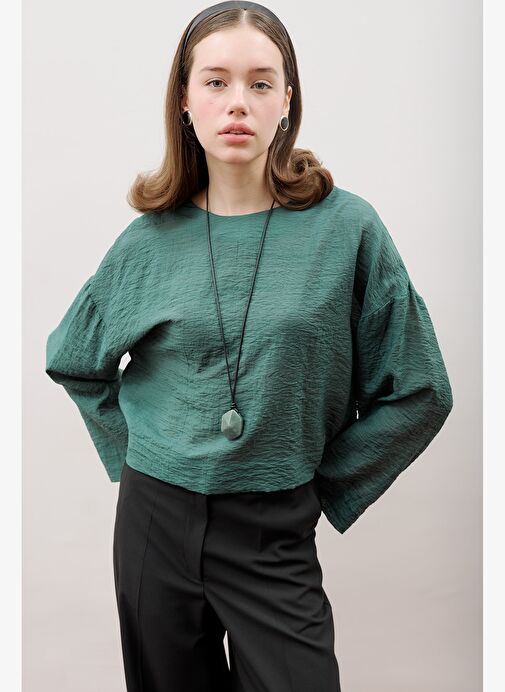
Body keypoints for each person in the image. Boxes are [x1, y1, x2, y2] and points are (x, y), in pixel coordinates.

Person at [44, 2, 454, 691]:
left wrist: (322, 484)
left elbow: (420, 389)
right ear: (184, 99)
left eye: (260, 83)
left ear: (287, 100)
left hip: (273, 526)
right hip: (154, 522)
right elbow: (73, 359)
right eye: (215, 81)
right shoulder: (147, 242)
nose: (238, 102)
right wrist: (144, 455)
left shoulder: (347, 229)